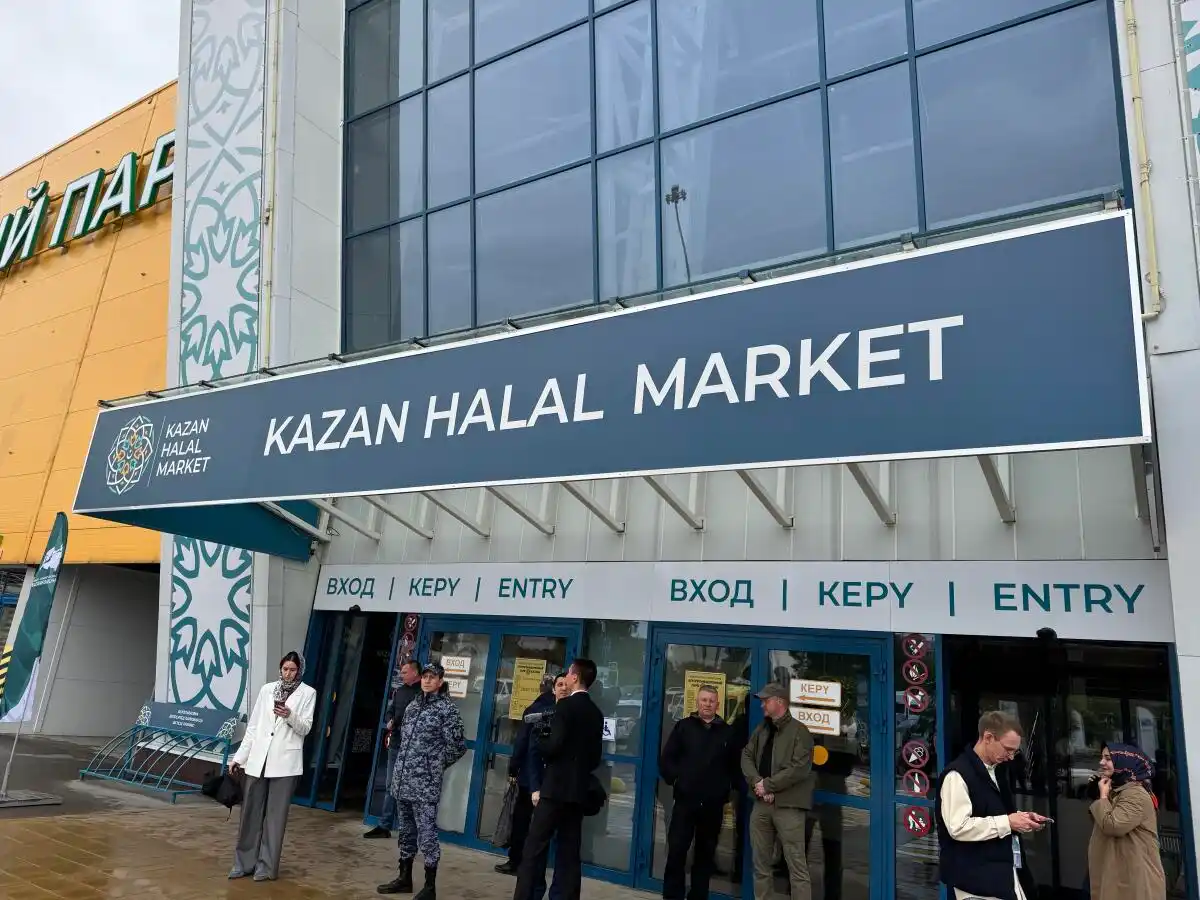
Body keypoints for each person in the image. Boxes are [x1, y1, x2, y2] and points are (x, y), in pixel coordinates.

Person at [513, 658, 604, 900]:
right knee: (569, 851)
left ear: (575, 677)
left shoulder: (564, 707)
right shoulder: (596, 713)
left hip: (554, 789)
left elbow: (552, 747)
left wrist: (542, 736)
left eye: (570, 674)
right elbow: (595, 757)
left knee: (534, 848)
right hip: (577, 791)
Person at [934, 710, 1047, 900]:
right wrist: (1008, 822)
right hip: (975, 884)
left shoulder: (997, 771)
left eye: (1015, 751)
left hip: (1001, 876)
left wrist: (1021, 818)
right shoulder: (956, 775)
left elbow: (994, 811)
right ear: (988, 738)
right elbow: (958, 827)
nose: (1011, 757)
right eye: (1008, 749)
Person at [377, 662, 467, 899]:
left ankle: (429, 887)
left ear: (440, 681)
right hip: (403, 781)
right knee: (406, 832)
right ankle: (404, 877)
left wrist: (434, 765)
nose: (427, 681)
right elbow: (405, 739)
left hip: (425, 785)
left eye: (432, 677)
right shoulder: (413, 705)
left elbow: (458, 746)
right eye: (425, 676)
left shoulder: (447, 710)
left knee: (427, 836)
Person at [229, 650, 317, 882]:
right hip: (258, 760)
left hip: (285, 763)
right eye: (285, 668)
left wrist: (289, 715)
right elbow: (254, 726)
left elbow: (305, 728)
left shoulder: (308, 693)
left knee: (275, 818)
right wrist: (239, 757)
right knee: (250, 814)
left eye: (293, 670)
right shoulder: (267, 689)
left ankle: (266, 867)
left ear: (300, 671)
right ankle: (243, 863)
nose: (288, 673)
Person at [659, 684, 739, 900]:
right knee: (677, 852)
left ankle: (698, 896)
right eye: (704, 700)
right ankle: (672, 896)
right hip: (685, 802)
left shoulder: (727, 732)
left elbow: (735, 767)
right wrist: (677, 780)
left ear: (718, 704)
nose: (707, 704)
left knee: (705, 856)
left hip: (712, 805)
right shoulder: (684, 727)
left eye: (711, 701)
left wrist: (726, 790)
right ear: (697, 702)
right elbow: (667, 759)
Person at [740, 682, 815, 900]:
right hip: (761, 804)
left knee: (796, 868)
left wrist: (769, 785)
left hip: (788, 807)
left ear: (780, 702)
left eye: (766, 700)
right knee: (760, 865)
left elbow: (799, 769)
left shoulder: (800, 731)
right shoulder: (762, 729)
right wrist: (758, 782)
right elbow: (746, 755)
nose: (762, 705)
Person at [500, 673, 570, 900]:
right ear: (552, 689)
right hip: (536, 784)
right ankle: (527, 879)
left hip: (558, 787)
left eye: (566, 685)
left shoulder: (570, 715)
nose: (562, 688)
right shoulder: (541, 714)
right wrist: (528, 780)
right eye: (559, 685)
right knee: (530, 833)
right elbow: (530, 748)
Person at [1088, 742, 1166, 900]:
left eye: (1108, 758)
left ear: (1123, 762)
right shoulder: (1118, 791)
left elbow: (1113, 826)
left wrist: (1103, 797)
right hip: (1120, 877)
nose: (1101, 762)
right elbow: (1101, 821)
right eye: (1102, 758)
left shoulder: (1135, 794)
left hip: (1134, 882)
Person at [366, 660, 422, 839]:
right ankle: (385, 825)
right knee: (391, 785)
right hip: (396, 744)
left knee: (410, 787)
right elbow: (391, 710)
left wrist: (396, 721)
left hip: (412, 747)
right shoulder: (401, 690)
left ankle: (410, 828)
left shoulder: (422, 692)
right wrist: (390, 719)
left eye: (405, 672)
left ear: (415, 673)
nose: (401, 675)